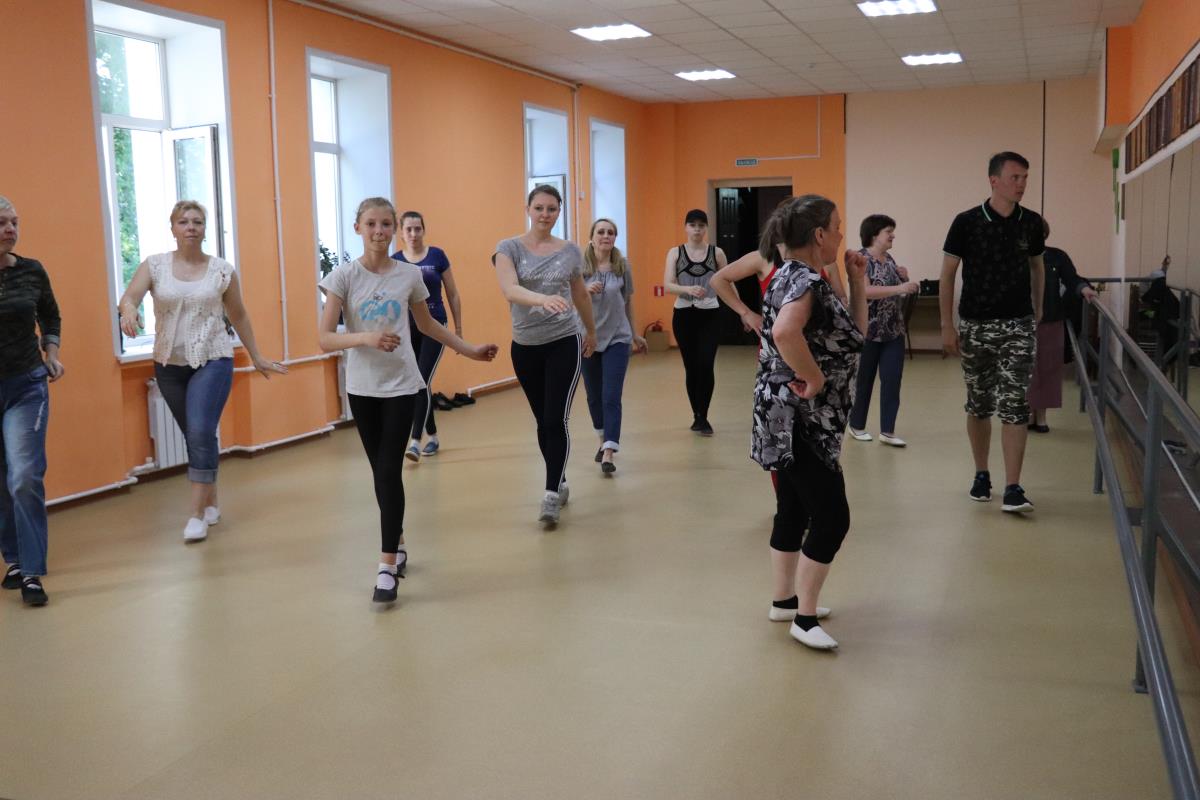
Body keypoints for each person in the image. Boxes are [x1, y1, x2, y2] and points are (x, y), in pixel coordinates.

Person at [319, 197, 496, 603]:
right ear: (358, 228)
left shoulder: (409, 275)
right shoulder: (343, 276)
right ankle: (397, 540)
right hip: (362, 388)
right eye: (371, 224)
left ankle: (386, 568)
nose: (378, 231)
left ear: (394, 229)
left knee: (388, 469)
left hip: (401, 385)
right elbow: (325, 338)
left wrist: (468, 350)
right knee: (380, 472)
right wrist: (366, 337)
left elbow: (428, 324)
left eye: (386, 224)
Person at [119, 201, 287, 542]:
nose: (191, 227)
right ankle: (211, 501)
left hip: (213, 359)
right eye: (184, 222)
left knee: (199, 431)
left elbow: (238, 314)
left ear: (205, 229)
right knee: (197, 435)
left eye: (197, 222)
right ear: (173, 228)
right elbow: (129, 297)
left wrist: (256, 356)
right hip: (168, 364)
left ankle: (196, 515)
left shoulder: (221, 271)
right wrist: (128, 312)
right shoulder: (155, 265)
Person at [752, 194, 867, 651]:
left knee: (793, 508)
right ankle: (803, 619)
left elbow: (853, 338)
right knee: (832, 516)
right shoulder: (805, 280)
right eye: (837, 226)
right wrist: (814, 377)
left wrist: (856, 282)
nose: (840, 234)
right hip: (801, 417)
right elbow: (785, 332)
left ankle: (784, 601)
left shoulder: (791, 274)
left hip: (784, 414)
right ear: (819, 235)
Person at [939, 152, 1045, 514]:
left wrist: (1038, 308)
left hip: (1018, 324)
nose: (1022, 184)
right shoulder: (966, 222)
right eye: (1015, 177)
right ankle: (981, 475)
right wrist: (947, 325)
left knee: (1015, 404)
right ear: (994, 180)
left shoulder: (1031, 223)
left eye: (1025, 177)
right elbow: (948, 275)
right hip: (975, 325)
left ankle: (1013, 487)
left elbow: (1037, 266)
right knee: (979, 403)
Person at [493, 185, 596, 525]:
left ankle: (551, 493)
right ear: (528, 209)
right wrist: (542, 299)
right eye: (539, 208)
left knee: (555, 419)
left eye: (552, 208)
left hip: (563, 341)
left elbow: (580, 295)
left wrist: (591, 331)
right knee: (542, 420)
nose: (545, 214)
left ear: (559, 211)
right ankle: (560, 478)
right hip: (525, 346)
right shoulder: (508, 248)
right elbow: (510, 289)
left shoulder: (570, 251)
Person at [0, 195, 63, 606]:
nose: (10, 229)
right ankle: (15, 559)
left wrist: (51, 353)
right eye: (1, 223)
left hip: (26, 385)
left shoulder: (31, 270)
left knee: (23, 474)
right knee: (2, 479)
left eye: (14, 221)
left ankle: (32, 573)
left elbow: (50, 315)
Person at [391, 211, 462, 461]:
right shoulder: (396, 261)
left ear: (424, 230)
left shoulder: (437, 256)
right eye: (408, 229)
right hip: (408, 329)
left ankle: (415, 441)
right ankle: (433, 436)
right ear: (401, 233)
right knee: (420, 382)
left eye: (417, 229)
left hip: (435, 326)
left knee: (420, 379)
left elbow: (453, 294)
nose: (413, 234)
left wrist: (458, 331)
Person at [581, 219, 646, 475]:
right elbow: (567, 299)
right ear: (592, 237)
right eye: (601, 232)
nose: (606, 236)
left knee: (611, 395)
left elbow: (627, 301)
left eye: (610, 232)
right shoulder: (580, 268)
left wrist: (635, 334)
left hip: (618, 337)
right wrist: (584, 290)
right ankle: (602, 439)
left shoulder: (622, 266)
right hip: (588, 339)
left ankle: (609, 450)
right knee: (593, 396)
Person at [846, 215, 919, 446]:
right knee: (864, 381)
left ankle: (888, 431)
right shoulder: (861, 259)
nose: (892, 235)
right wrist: (899, 287)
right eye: (888, 231)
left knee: (892, 380)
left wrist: (904, 277)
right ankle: (856, 425)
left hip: (893, 331)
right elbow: (865, 291)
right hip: (868, 331)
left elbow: (894, 287)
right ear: (874, 234)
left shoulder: (889, 259)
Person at [662, 209, 727, 436]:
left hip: (710, 314)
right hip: (684, 315)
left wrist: (743, 312)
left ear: (706, 228)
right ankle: (696, 415)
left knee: (706, 364)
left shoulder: (717, 253)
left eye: (701, 225)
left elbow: (727, 281)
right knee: (691, 366)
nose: (697, 229)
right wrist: (687, 289)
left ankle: (704, 416)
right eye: (692, 225)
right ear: (686, 227)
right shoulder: (675, 253)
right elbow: (668, 285)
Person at [1027, 219, 1095, 433]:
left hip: (1051, 319)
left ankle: (1041, 416)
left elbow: (1072, 278)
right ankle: (1028, 413)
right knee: (1026, 369)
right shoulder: (1013, 257)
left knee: (1048, 369)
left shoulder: (1057, 256)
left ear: (1044, 235)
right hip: (1021, 322)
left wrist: (1084, 288)